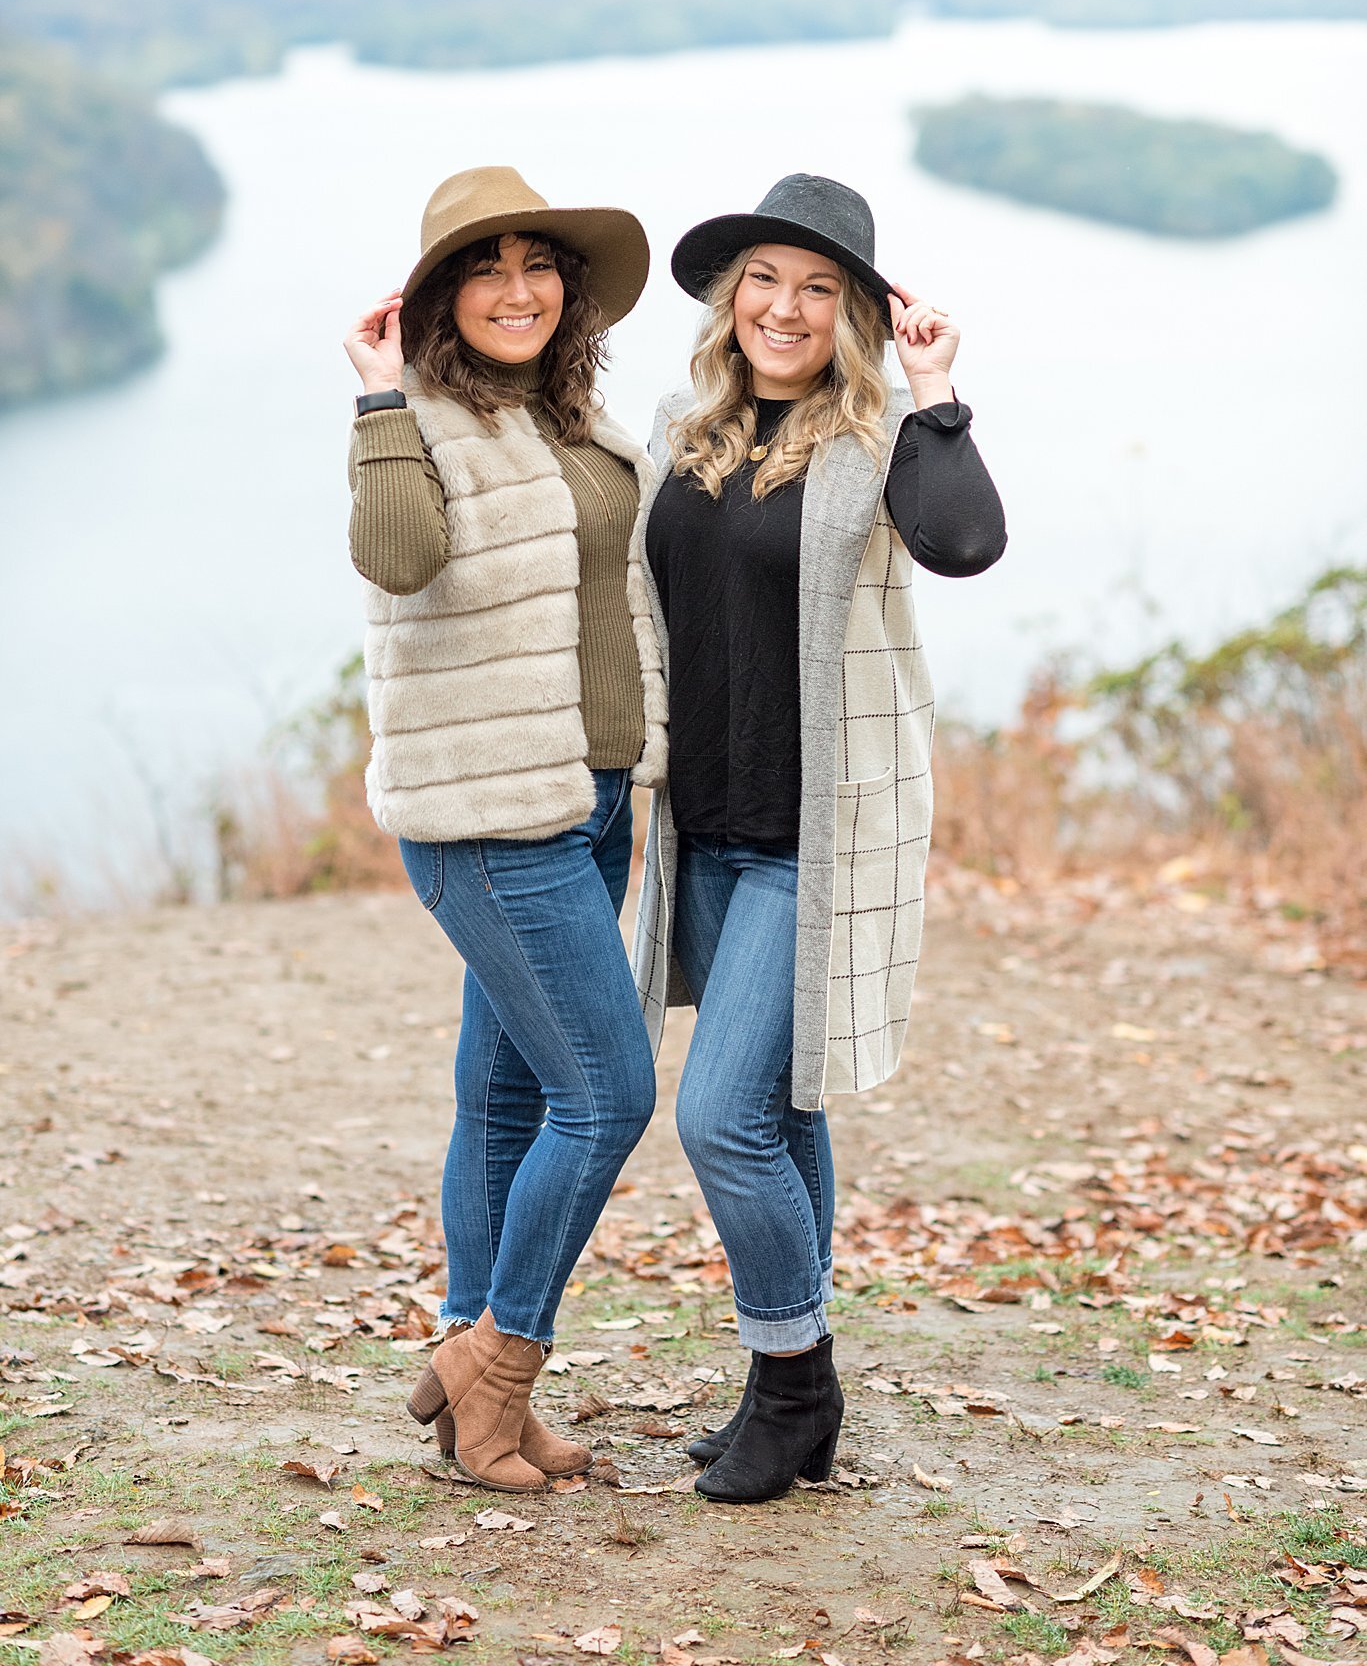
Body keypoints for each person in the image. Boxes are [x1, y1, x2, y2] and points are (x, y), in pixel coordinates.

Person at [635, 173, 1007, 1503]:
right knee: (783, 1114)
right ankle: (781, 1392)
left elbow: (966, 542)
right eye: (762, 282)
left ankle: (797, 1377)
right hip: (711, 832)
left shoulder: (877, 442)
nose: (784, 308)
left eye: (816, 287)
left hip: (814, 837)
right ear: (730, 300)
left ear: (851, 310)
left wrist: (937, 394)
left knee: (722, 1120)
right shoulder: (686, 434)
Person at [343, 165, 667, 1493]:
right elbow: (401, 558)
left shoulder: (578, 418)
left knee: (505, 1101)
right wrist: (374, 392)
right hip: (488, 817)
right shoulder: (411, 418)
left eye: (539, 264)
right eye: (486, 266)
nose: (518, 287)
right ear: (440, 299)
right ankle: (499, 1367)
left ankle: (469, 1381)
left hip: (593, 802)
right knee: (610, 1096)